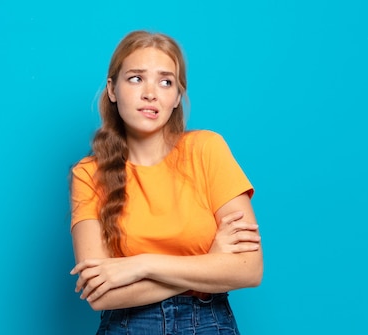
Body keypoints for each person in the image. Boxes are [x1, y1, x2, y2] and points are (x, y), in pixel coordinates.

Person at [69, 30, 263, 335]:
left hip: (209, 323)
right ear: (112, 89)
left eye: (165, 81)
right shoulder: (89, 173)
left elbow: (248, 269)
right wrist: (210, 262)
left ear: (176, 97)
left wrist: (141, 265)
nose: (151, 93)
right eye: (135, 78)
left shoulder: (207, 149)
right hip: (127, 326)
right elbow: (100, 294)